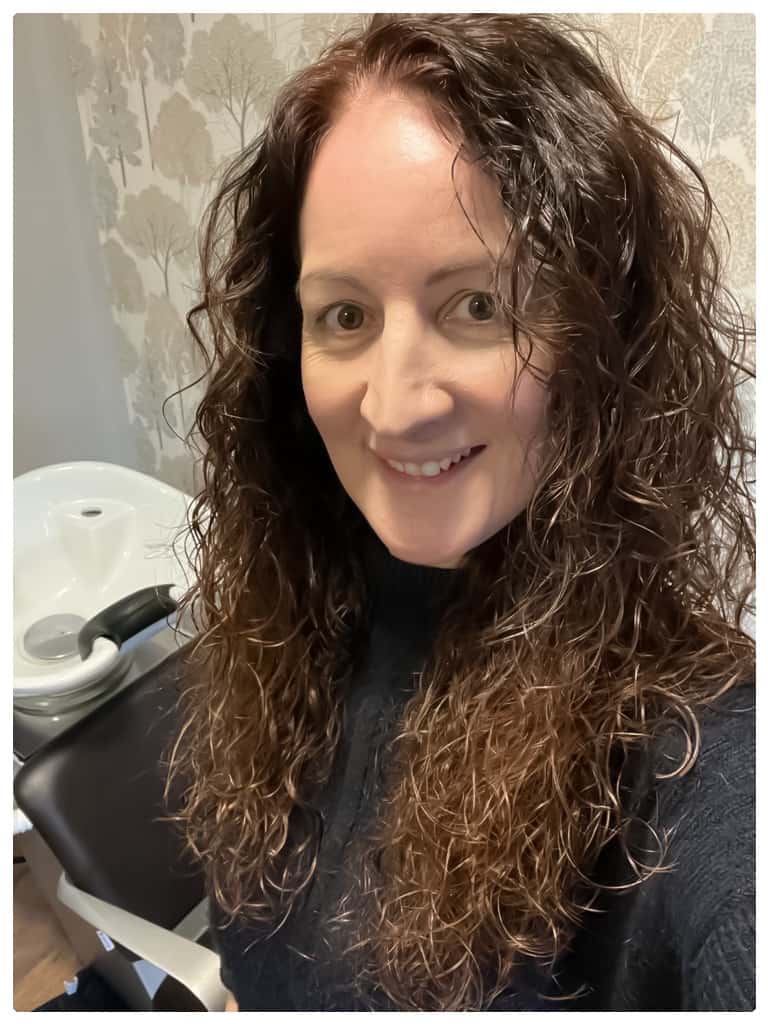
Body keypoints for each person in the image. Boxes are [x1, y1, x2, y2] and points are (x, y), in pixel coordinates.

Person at [166, 13, 755, 1012]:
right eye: (343, 315)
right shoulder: (289, 621)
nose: (396, 406)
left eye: (477, 305)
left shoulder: (698, 759)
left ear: (601, 330)